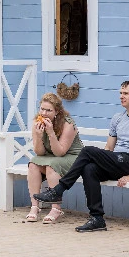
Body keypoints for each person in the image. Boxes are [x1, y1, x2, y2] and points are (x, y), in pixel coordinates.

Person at [33, 80, 129, 232]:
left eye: (126, 93)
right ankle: (97, 218)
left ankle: (59, 189)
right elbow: (109, 148)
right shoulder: (118, 118)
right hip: (117, 161)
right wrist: (102, 160)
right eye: (120, 93)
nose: (121, 96)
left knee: (88, 151)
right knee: (89, 168)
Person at [25, 92, 83, 223]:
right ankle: (35, 206)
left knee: (52, 166)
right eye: (42, 109)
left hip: (73, 157)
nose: (44, 113)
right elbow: (39, 152)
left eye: (48, 110)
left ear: (57, 111)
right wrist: (38, 136)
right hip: (51, 157)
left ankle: (56, 208)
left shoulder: (67, 124)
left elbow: (60, 152)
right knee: (33, 164)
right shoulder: (36, 122)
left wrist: (51, 133)